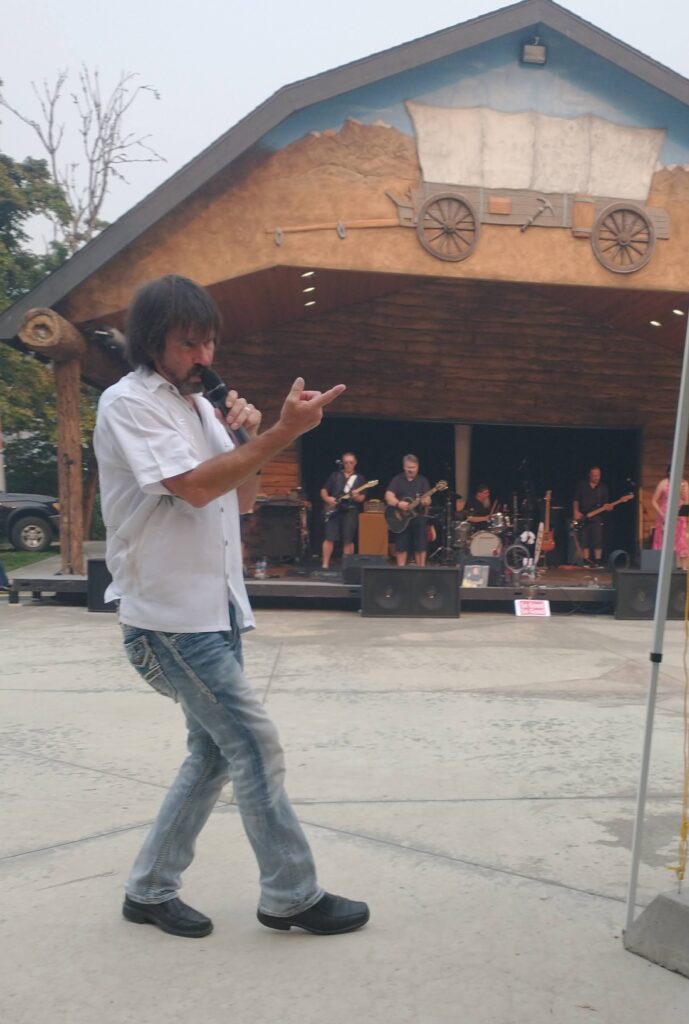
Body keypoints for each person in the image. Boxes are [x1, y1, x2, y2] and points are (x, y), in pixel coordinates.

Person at [93, 274, 369, 939]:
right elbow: (190, 490)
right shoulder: (129, 403)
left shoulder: (196, 410)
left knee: (215, 754)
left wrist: (243, 436)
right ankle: (291, 895)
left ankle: (149, 889)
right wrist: (275, 434)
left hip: (213, 611)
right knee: (253, 743)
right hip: (167, 621)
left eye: (210, 342)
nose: (205, 357)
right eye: (190, 344)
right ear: (152, 342)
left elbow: (238, 502)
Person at [320, 452, 366, 569]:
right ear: (342, 463)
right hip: (334, 510)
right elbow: (324, 490)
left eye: (351, 462)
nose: (348, 465)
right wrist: (327, 498)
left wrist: (356, 496)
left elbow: (362, 498)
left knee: (348, 539)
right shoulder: (335, 476)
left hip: (350, 510)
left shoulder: (359, 478)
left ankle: (347, 567)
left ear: (355, 463)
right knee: (329, 537)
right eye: (346, 462)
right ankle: (325, 564)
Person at [385, 454, 431, 566]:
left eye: (413, 467)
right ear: (404, 467)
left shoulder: (422, 481)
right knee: (401, 546)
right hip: (402, 519)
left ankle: (421, 571)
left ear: (418, 467)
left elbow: (428, 499)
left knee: (420, 546)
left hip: (418, 517)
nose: (411, 470)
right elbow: (388, 496)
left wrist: (426, 501)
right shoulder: (397, 479)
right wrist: (398, 503)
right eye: (408, 467)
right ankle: (400, 572)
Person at [651, 465, 689, 571]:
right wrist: (662, 514)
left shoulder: (684, 484)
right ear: (669, 473)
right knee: (664, 540)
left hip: (679, 517)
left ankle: (682, 568)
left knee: (681, 541)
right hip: (665, 516)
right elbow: (654, 500)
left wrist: (683, 494)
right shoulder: (664, 483)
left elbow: (687, 502)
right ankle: (662, 568)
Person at [572, 466, 609, 568]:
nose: (597, 477)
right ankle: (586, 561)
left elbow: (606, 504)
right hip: (583, 515)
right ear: (590, 475)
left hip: (596, 516)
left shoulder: (602, 488)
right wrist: (575, 511)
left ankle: (598, 561)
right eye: (594, 475)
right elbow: (576, 499)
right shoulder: (582, 485)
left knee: (598, 538)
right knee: (584, 539)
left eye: (598, 475)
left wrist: (608, 507)